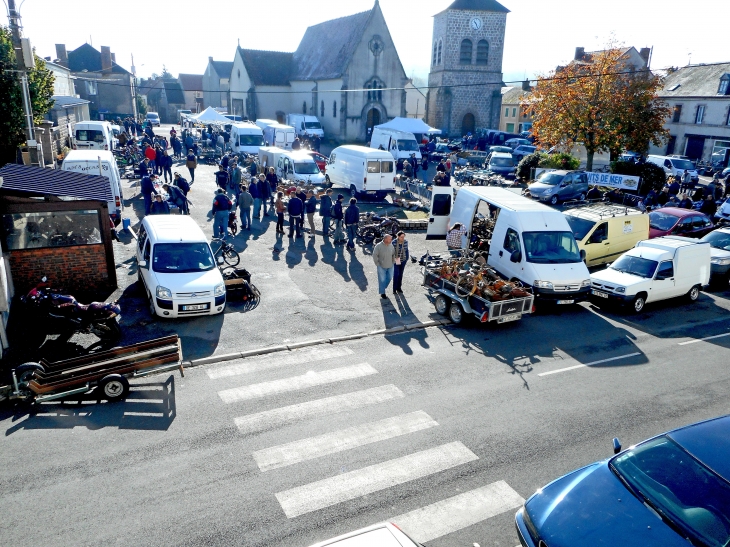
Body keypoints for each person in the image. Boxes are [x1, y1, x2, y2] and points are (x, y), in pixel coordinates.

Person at [373, 234, 396, 299]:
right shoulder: (378, 246)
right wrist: (377, 264)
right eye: (390, 239)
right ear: (385, 239)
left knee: (390, 277)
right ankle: (382, 292)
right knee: (382, 279)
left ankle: (382, 287)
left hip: (390, 265)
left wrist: (394, 261)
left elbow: (393, 254)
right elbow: (375, 255)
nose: (391, 240)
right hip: (381, 266)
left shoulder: (391, 245)